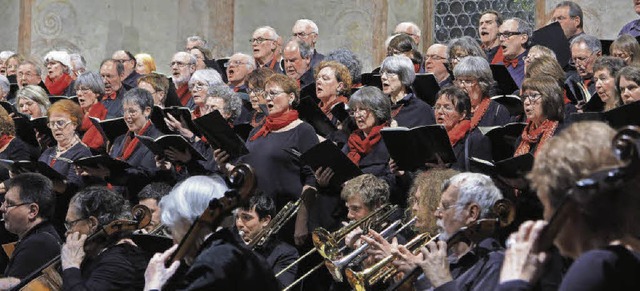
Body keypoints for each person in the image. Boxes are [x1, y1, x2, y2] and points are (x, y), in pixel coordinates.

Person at [498, 121, 640, 290]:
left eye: (546, 205)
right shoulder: (630, 257)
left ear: (569, 208)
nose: (546, 217)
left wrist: (514, 282)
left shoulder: (595, 268)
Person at [215, 74, 319, 245]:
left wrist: (302, 221)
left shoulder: (303, 130)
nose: (268, 99)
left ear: (291, 97)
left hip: (285, 220)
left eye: (273, 93)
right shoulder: (257, 131)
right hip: (254, 218)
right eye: (266, 94)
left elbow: (311, 178)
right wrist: (224, 165)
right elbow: (244, 172)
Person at [143, 175, 280, 290]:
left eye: (172, 228)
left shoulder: (213, 263)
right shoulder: (244, 254)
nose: (173, 239)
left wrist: (152, 286)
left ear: (185, 221)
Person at [61, 186, 150, 290]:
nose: (67, 232)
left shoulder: (117, 263)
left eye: (71, 224)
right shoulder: (96, 254)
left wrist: (71, 266)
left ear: (92, 224)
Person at [37, 100, 93, 232]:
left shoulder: (82, 152)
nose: (56, 127)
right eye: (52, 123)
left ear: (74, 124)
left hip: (64, 217)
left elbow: (73, 189)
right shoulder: (48, 152)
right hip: (44, 213)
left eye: (60, 123)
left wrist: (46, 181)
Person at [0, 173, 60, 288]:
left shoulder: (39, 244)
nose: (2, 208)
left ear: (33, 211)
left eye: (9, 203)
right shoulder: (39, 237)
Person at [236, 195, 299, 288]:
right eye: (237, 217)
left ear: (265, 220)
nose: (239, 223)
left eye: (246, 217)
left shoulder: (286, 254)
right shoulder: (229, 243)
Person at [434, 86, 492, 172]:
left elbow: (479, 180)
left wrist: (443, 172)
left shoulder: (476, 140)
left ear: (462, 115)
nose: (440, 112)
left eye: (447, 107)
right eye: (437, 107)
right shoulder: (432, 140)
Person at [453, 56, 510, 129]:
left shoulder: (497, 111)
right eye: (460, 80)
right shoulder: (453, 108)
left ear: (482, 83)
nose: (461, 85)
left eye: (468, 81)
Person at [514, 76, 564, 157]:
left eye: (533, 96)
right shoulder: (522, 138)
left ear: (549, 99)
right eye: (525, 97)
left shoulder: (562, 134)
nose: (526, 102)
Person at [380, 55, 435, 128]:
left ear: (404, 76)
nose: (383, 77)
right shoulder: (380, 106)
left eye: (390, 73)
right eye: (382, 72)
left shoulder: (421, 110)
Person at [75, 71, 109, 152]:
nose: (79, 93)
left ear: (97, 93)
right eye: (77, 89)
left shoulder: (106, 117)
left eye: (84, 89)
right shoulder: (73, 116)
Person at [498, 18, 532, 88]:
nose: (501, 39)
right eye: (499, 35)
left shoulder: (534, 65)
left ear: (523, 38)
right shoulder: (498, 67)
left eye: (507, 34)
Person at [315, 60, 351, 125]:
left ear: (339, 86)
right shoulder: (314, 110)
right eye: (317, 78)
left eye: (325, 78)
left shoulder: (345, 112)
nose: (318, 82)